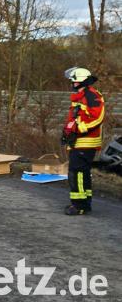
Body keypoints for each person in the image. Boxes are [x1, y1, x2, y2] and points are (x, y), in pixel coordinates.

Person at [62, 67, 105, 216]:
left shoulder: (92, 96)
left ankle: (79, 205)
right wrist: (67, 131)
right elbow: (75, 118)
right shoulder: (80, 96)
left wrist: (78, 129)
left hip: (86, 141)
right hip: (78, 141)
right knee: (82, 172)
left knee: (77, 172)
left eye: (74, 81)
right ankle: (84, 203)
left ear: (81, 81)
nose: (72, 83)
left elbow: (97, 118)